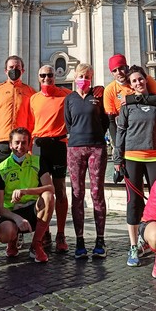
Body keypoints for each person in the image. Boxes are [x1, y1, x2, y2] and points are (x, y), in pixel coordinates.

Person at [113, 65, 156, 267]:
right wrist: (117, 160)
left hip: (155, 157)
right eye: (134, 81)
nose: (138, 83)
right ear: (130, 85)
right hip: (132, 158)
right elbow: (120, 133)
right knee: (133, 202)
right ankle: (133, 245)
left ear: (146, 80)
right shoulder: (126, 106)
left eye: (140, 79)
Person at [64, 63, 109, 259]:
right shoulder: (70, 99)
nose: (84, 79)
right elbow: (68, 123)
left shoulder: (98, 97)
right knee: (77, 193)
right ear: (75, 77)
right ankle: (80, 240)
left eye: (88, 76)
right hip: (75, 148)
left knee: (97, 192)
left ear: (92, 78)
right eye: (81, 75)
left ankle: (100, 240)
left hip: (97, 147)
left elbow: (105, 121)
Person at [0, 127, 54, 263]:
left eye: (24, 143)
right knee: (4, 233)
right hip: (12, 212)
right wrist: (17, 218)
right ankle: (12, 241)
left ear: (29, 144)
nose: (20, 147)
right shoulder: (1, 169)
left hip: (33, 208)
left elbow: (50, 188)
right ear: (10, 145)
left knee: (48, 197)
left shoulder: (37, 161)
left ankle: (36, 244)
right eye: (17, 143)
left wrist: (25, 191)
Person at [29, 65, 72, 253]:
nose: (47, 78)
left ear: (56, 76)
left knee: (60, 189)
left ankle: (60, 233)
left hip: (59, 145)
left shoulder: (66, 95)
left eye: (50, 75)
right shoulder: (33, 99)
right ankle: (43, 230)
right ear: (38, 78)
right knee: (42, 191)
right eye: (43, 75)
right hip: (39, 146)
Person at [0, 55, 36, 175]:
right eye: (11, 67)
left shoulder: (31, 92)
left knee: (18, 185)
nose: (14, 70)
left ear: (22, 71)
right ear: (5, 70)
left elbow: (33, 121)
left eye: (17, 67)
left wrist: (30, 144)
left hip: (20, 145)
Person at [103, 53, 156, 148]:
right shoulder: (109, 90)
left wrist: (132, 98)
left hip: (150, 134)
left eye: (121, 68)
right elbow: (111, 121)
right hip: (128, 138)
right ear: (112, 73)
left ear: (127, 67)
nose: (119, 72)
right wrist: (118, 146)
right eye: (115, 70)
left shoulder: (143, 79)